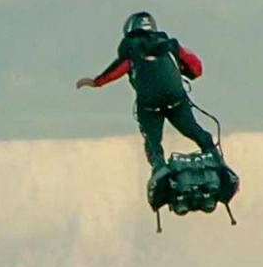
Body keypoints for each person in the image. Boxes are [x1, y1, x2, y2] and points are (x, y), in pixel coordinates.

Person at [76, 11, 217, 173]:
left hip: (150, 105)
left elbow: (121, 67)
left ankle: (160, 168)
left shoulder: (130, 46)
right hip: (176, 100)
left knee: (153, 141)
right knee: (193, 130)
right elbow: (196, 69)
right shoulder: (170, 44)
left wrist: (96, 82)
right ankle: (215, 158)